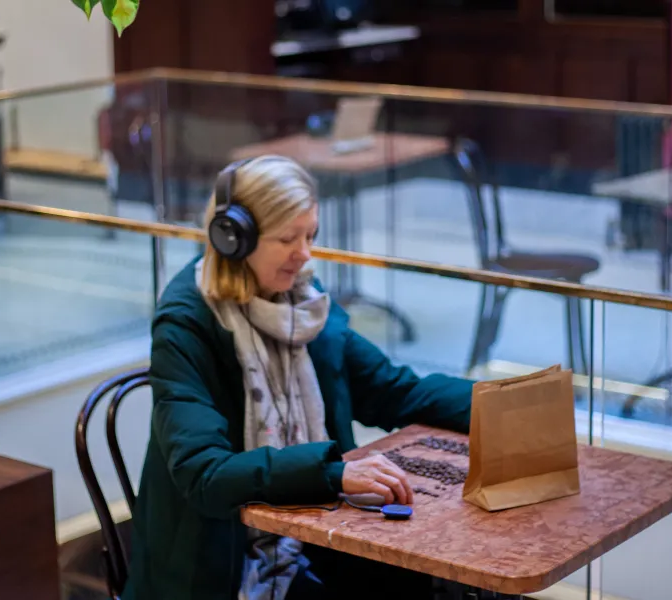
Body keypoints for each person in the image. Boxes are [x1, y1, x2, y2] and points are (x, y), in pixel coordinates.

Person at [123, 155, 476, 600]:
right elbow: (205, 474)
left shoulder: (303, 303)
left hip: (310, 542)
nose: (305, 254)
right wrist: (332, 474)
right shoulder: (186, 323)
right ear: (233, 239)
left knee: (418, 583)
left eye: (310, 235)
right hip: (218, 565)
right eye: (288, 238)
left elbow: (395, 392)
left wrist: (499, 406)